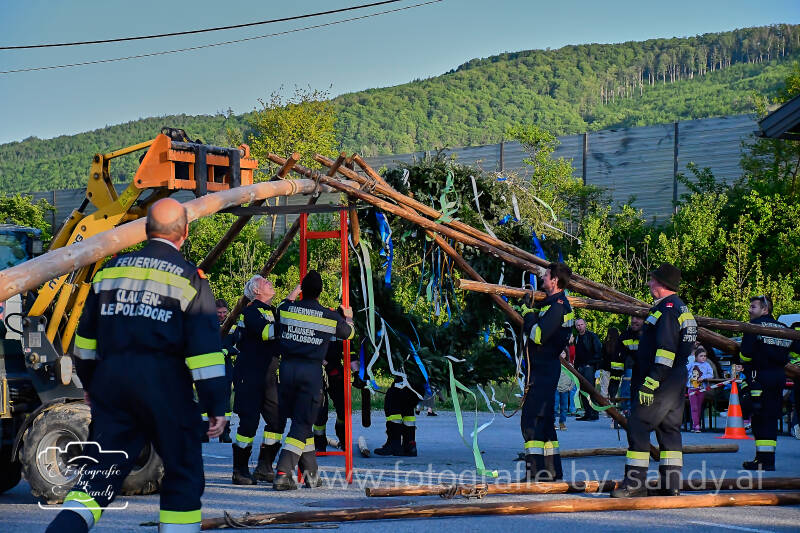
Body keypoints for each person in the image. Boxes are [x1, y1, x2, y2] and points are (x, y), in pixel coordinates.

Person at [47, 198, 228, 533]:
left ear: (145, 230)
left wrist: (90, 385)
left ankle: (63, 528)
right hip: (165, 388)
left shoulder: (109, 273)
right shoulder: (190, 279)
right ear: (185, 232)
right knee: (183, 474)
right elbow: (205, 353)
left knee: (98, 477)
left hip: (113, 387)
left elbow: (85, 344)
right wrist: (216, 404)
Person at [611, 263, 696, 498]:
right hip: (675, 380)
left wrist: (651, 381)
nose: (649, 284)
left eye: (652, 280)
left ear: (662, 283)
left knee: (638, 425)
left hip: (660, 381)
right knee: (669, 430)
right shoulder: (681, 309)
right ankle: (671, 484)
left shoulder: (667, 310)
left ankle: (635, 484)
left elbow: (665, 351)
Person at [272, 271, 354, 490]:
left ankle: (311, 476)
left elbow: (282, 306)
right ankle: (282, 472)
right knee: (302, 423)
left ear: (302, 290)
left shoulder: (286, 309)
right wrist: (348, 316)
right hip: (310, 373)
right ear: (320, 292)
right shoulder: (327, 316)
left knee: (301, 422)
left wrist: (292, 295)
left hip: (287, 370)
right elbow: (349, 334)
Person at [518, 262, 574, 482]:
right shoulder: (553, 304)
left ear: (555, 281)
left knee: (531, 420)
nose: (543, 278)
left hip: (543, 371)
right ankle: (550, 471)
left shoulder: (558, 306)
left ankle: (536, 471)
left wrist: (527, 313)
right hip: (543, 369)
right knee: (545, 420)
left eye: (546, 275)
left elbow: (539, 335)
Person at [230, 275, 285, 485]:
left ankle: (264, 466)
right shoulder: (250, 311)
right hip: (249, 376)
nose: (269, 281)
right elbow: (267, 332)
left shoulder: (271, 311)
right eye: (263, 281)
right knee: (249, 423)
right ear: (256, 291)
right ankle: (240, 471)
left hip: (269, 376)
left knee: (277, 419)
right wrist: (291, 323)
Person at [739, 295, 791, 471]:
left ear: (764, 309)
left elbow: (744, 356)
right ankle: (767, 460)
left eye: (753, 307)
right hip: (779, 378)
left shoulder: (753, 327)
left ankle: (762, 460)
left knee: (759, 418)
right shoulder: (784, 328)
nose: (749, 310)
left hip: (759, 379)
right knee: (770, 418)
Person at [214, 298, 241, 443]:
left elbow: (239, 346)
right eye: (219, 312)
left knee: (225, 402)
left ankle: (225, 433)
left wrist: (226, 351)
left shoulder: (233, 327)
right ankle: (204, 431)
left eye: (224, 312)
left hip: (225, 366)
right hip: (208, 366)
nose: (222, 315)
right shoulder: (206, 325)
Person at [612, 317, 643, 425]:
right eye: (632, 318)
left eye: (638, 318)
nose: (634, 320)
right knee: (626, 391)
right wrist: (614, 380)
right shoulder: (624, 336)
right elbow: (617, 358)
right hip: (629, 368)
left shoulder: (650, 335)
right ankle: (627, 412)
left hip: (645, 370)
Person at [573, 318, 602, 421]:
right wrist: (575, 368)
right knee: (582, 391)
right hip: (580, 368)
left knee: (590, 390)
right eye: (577, 325)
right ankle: (587, 413)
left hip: (589, 367)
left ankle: (594, 414)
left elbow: (598, 351)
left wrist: (592, 365)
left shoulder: (592, 336)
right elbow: (577, 355)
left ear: (585, 325)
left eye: (581, 324)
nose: (580, 327)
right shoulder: (577, 338)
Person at [686, 346, 713, 432]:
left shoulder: (707, 365)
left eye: (705, 356)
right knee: (694, 407)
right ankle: (696, 425)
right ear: (696, 357)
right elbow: (684, 370)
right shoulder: (691, 364)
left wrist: (704, 377)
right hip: (691, 388)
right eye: (701, 356)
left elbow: (711, 375)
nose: (703, 357)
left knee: (699, 407)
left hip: (701, 389)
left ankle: (697, 425)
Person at [555, 350, 572, 431]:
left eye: (564, 353)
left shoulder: (569, 365)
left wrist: (570, 387)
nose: (562, 354)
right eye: (560, 353)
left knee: (564, 407)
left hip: (565, 389)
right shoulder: (555, 364)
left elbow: (574, 377)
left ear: (566, 354)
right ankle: (552, 422)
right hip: (556, 388)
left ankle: (562, 422)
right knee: (554, 406)